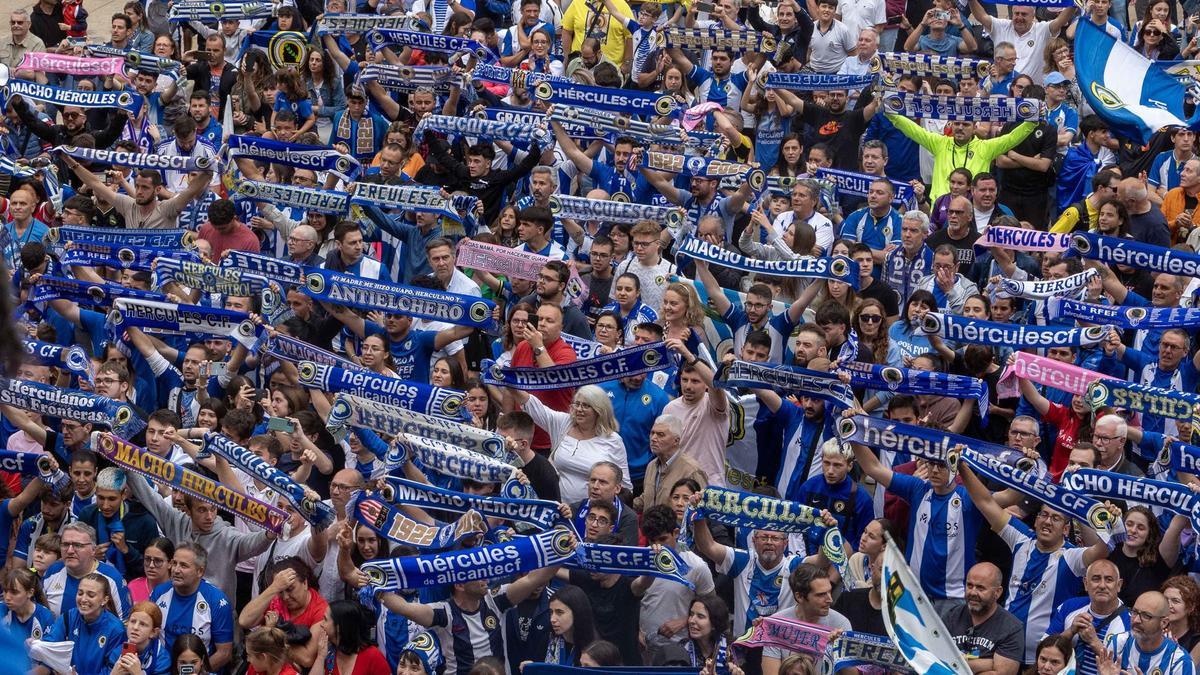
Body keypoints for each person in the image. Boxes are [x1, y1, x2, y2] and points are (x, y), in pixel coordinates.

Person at [151, 543, 234, 671]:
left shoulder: (217, 601)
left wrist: (196, 673)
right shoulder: (159, 593)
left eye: (183, 565)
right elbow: (148, 635)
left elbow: (224, 653)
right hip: (162, 670)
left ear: (200, 571)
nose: (176, 570)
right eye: (174, 563)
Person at [34, 573, 127, 675]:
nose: (83, 599)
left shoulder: (116, 630)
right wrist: (37, 646)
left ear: (105, 600)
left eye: (91, 595)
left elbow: (112, 670)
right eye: (80, 593)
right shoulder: (69, 617)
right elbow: (50, 646)